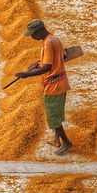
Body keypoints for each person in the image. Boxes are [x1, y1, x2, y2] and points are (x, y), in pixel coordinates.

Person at [15, 19, 72, 155]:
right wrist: (38, 63)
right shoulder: (53, 39)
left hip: (54, 85)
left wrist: (27, 74)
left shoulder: (48, 43)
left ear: (39, 31)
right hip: (60, 82)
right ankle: (56, 140)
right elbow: (62, 55)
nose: (32, 38)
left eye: (33, 35)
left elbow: (48, 67)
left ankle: (66, 142)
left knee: (53, 117)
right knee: (55, 114)